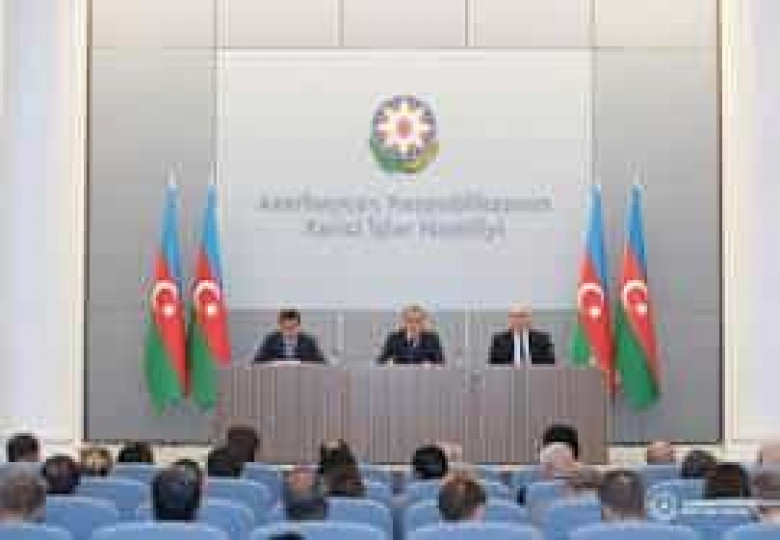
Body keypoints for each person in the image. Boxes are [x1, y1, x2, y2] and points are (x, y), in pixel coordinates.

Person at [377, 305, 445, 365]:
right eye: (409, 321)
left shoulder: (432, 339)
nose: (413, 325)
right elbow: (380, 361)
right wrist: (389, 363)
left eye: (417, 321)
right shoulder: (394, 338)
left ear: (423, 323)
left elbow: (441, 363)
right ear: (404, 322)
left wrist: (431, 364)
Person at [488, 306, 555, 365]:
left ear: (529, 318)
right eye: (514, 316)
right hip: (509, 374)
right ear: (509, 319)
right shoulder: (499, 339)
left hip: (535, 374)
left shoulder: (543, 338)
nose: (518, 319)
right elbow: (493, 364)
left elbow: (550, 363)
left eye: (522, 316)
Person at [254, 309, 326, 364]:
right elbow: (257, 362)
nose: (290, 331)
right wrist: (274, 363)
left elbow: (322, 364)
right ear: (280, 326)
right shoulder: (271, 340)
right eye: (286, 328)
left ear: (299, 326)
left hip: (302, 376)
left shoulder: (309, 341)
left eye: (293, 327)